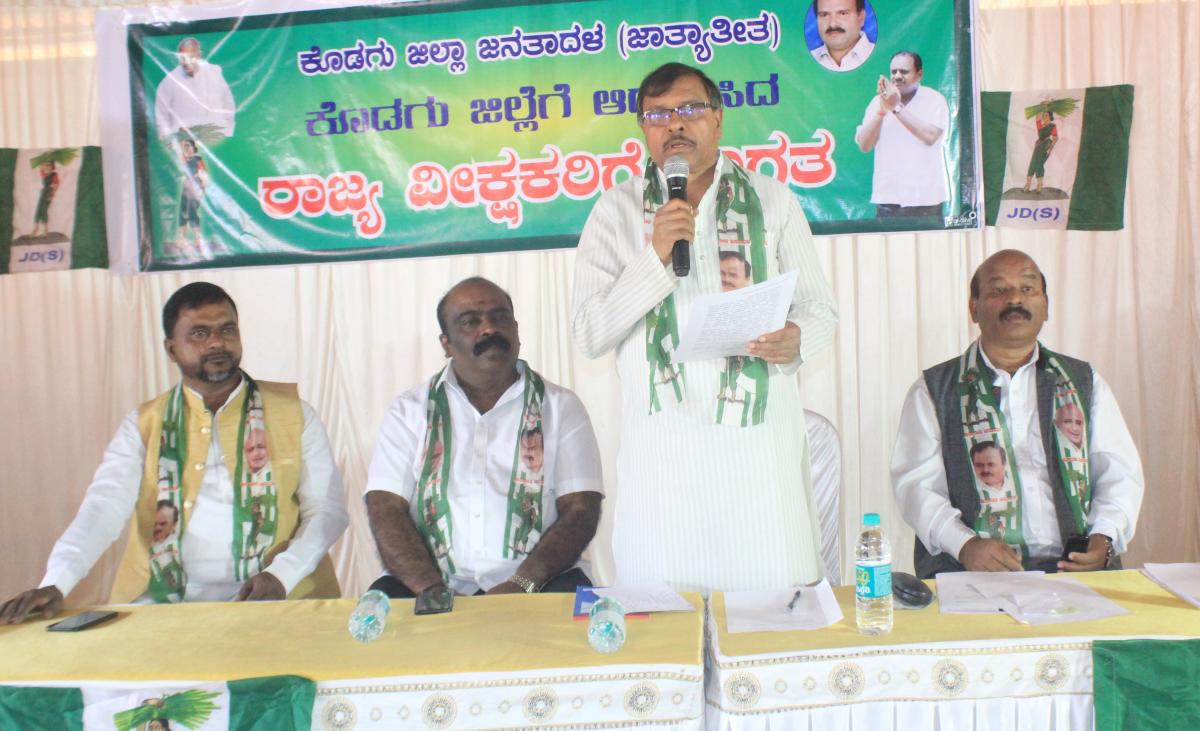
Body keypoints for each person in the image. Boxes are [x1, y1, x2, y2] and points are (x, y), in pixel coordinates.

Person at [572, 62, 838, 593]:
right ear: (643, 130)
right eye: (658, 114)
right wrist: (655, 258)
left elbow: (819, 309)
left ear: (717, 120)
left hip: (760, 463)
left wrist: (796, 339)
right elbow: (589, 333)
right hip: (664, 466)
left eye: (690, 109)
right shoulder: (615, 212)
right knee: (668, 636)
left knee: (770, 632)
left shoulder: (773, 200)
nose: (675, 124)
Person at [0, 282, 347, 623]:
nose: (216, 342)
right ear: (171, 349)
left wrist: (282, 575)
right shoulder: (145, 424)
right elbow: (104, 507)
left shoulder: (293, 413)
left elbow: (327, 510)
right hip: (164, 603)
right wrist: (57, 581)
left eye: (227, 329)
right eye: (199, 333)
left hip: (278, 596)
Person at [891, 250, 1144, 578]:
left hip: (1077, 572)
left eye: (1027, 289)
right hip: (973, 572)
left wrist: (1105, 537)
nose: (1014, 299)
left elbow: (1119, 474)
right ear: (974, 308)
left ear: (1046, 306)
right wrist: (965, 545)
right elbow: (916, 486)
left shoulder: (1084, 382)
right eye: (998, 290)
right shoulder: (935, 389)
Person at [364, 277, 604, 597]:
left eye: (500, 317)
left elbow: (580, 509)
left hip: (538, 582)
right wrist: (431, 588)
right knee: (379, 625)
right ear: (446, 342)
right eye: (470, 322)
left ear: (517, 330)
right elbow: (385, 507)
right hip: (429, 582)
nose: (489, 329)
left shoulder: (561, 407)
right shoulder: (409, 411)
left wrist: (521, 583)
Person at [854, 51, 950, 220]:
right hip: (888, 199)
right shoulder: (877, 102)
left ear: (919, 74)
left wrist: (896, 107)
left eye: (904, 72)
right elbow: (864, 145)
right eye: (894, 72)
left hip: (926, 199)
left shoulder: (935, 99)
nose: (897, 76)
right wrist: (881, 112)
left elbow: (930, 136)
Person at [154, 38, 236, 140]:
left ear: (199, 56)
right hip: (183, 143)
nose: (186, 62)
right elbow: (161, 116)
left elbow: (228, 103)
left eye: (190, 57)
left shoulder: (214, 73)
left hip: (215, 139)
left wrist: (227, 132)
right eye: (182, 58)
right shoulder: (169, 81)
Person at [811, 0, 874, 73]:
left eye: (843, 13)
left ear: (861, 17)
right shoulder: (804, 61)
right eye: (824, 15)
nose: (833, 24)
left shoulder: (882, 58)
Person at [176, 137, 208, 257]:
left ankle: (198, 240)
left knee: (192, 213)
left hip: (195, 188)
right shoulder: (184, 159)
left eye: (189, 146)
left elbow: (204, 174)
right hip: (186, 189)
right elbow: (181, 161)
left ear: (194, 148)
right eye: (185, 146)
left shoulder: (197, 159)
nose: (187, 148)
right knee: (182, 213)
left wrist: (201, 189)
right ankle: (182, 239)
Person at [1024, 109, 1058, 193]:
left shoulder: (1052, 126)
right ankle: (1028, 184)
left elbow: (1055, 138)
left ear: (1050, 117)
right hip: (1038, 146)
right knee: (1033, 163)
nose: (1044, 117)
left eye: (1046, 115)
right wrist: (1042, 106)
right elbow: (1037, 118)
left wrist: (1050, 148)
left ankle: (1039, 186)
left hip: (1046, 146)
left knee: (1039, 164)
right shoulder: (1040, 125)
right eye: (1043, 116)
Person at [31, 160, 59, 238]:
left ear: (52, 166)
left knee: (43, 210)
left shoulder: (54, 174)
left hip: (48, 193)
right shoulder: (44, 174)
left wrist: (51, 195)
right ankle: (40, 230)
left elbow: (56, 185)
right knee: (39, 210)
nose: (47, 166)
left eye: (49, 165)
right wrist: (44, 158)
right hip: (43, 193)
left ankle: (39, 230)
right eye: (46, 165)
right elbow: (40, 168)